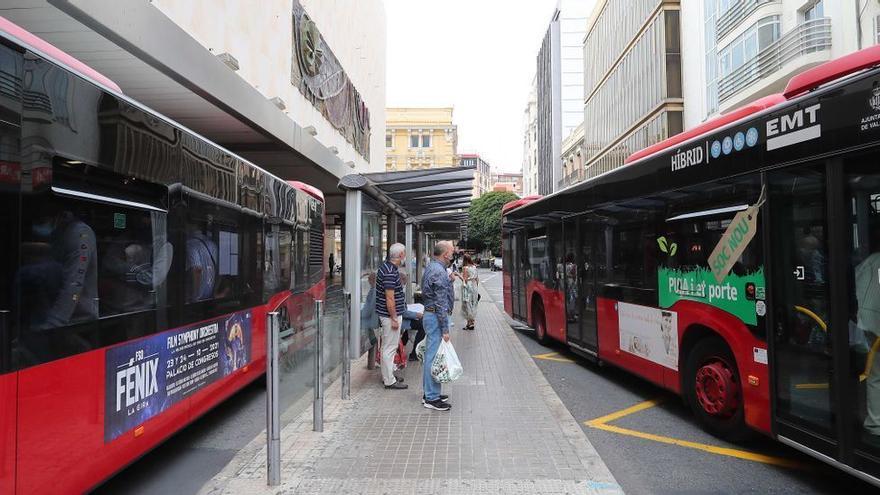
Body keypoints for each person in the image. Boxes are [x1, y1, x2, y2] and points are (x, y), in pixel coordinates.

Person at [32, 209, 98, 329]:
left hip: (78, 318)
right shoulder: (57, 234)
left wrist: (54, 323)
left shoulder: (81, 234)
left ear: (59, 216)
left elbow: (74, 283)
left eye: (43, 220)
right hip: (54, 311)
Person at [421, 240, 454, 411]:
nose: (453, 254)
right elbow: (440, 302)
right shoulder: (439, 271)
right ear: (445, 254)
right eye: (451, 251)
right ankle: (431, 398)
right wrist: (445, 328)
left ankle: (429, 393)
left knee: (431, 356)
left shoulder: (433, 267)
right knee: (434, 357)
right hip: (435, 316)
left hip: (431, 314)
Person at [375, 243, 408, 389]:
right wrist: (394, 317)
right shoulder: (389, 271)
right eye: (404, 253)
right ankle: (389, 380)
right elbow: (390, 298)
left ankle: (388, 375)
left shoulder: (387, 268)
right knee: (389, 348)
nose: (405, 255)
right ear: (401, 255)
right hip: (389, 317)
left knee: (388, 347)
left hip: (387, 315)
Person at [461, 254, 479, 330]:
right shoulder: (474, 267)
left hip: (468, 286)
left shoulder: (465, 268)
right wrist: (476, 287)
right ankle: (470, 323)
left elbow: (464, 279)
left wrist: (459, 276)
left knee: (467, 304)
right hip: (474, 286)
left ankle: (470, 323)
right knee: (473, 303)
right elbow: (477, 279)